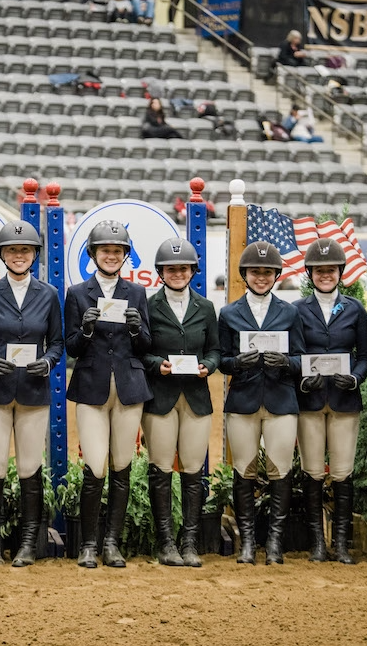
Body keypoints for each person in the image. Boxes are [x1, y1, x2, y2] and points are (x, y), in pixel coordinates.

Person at [0, 221, 63, 567]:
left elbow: (56, 343)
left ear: (34, 255)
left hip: (32, 389)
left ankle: (28, 541)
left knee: (30, 466)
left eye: (25, 250)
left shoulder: (49, 295)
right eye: (12, 250)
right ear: (2, 255)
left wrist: (47, 362)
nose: (19, 255)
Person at [65, 220, 152, 568]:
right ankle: (88, 544)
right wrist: (85, 330)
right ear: (93, 254)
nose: (112, 256)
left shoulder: (137, 293)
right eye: (106, 251)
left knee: (122, 464)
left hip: (129, 387)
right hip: (92, 386)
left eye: (118, 251)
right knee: (95, 465)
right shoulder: (76, 294)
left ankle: (112, 543)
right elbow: (71, 348)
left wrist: (136, 328)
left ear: (125, 255)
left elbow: (146, 345)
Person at [218, 241, 305, 565]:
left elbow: (300, 360)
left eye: (267, 273)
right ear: (245, 274)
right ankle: (247, 542)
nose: (261, 278)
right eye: (256, 272)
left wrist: (285, 362)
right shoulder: (228, 313)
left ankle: (274, 543)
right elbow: (222, 361)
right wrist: (238, 362)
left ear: (276, 275)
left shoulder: (289, 312)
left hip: (281, 399)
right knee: (245, 470)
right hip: (243, 400)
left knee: (280, 469)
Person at [293, 238, 367, 565]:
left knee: (342, 471)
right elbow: (294, 353)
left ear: (340, 272)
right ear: (311, 273)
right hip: (310, 400)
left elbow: (366, 356)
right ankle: (317, 543)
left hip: (343, 399)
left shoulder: (354, 310)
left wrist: (354, 377)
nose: (326, 275)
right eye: (319, 270)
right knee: (312, 470)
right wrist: (301, 375)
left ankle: (340, 543)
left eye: (331, 270)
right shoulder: (298, 310)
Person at [142, 238, 219, 567]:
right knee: (160, 469)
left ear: (192, 271)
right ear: (161, 272)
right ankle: (166, 543)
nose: (177, 273)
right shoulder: (149, 305)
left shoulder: (205, 308)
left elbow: (215, 349)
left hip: (196, 397)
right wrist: (156, 363)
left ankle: (189, 542)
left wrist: (210, 366)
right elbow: (141, 350)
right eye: (171, 269)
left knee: (191, 470)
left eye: (183, 268)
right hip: (160, 396)